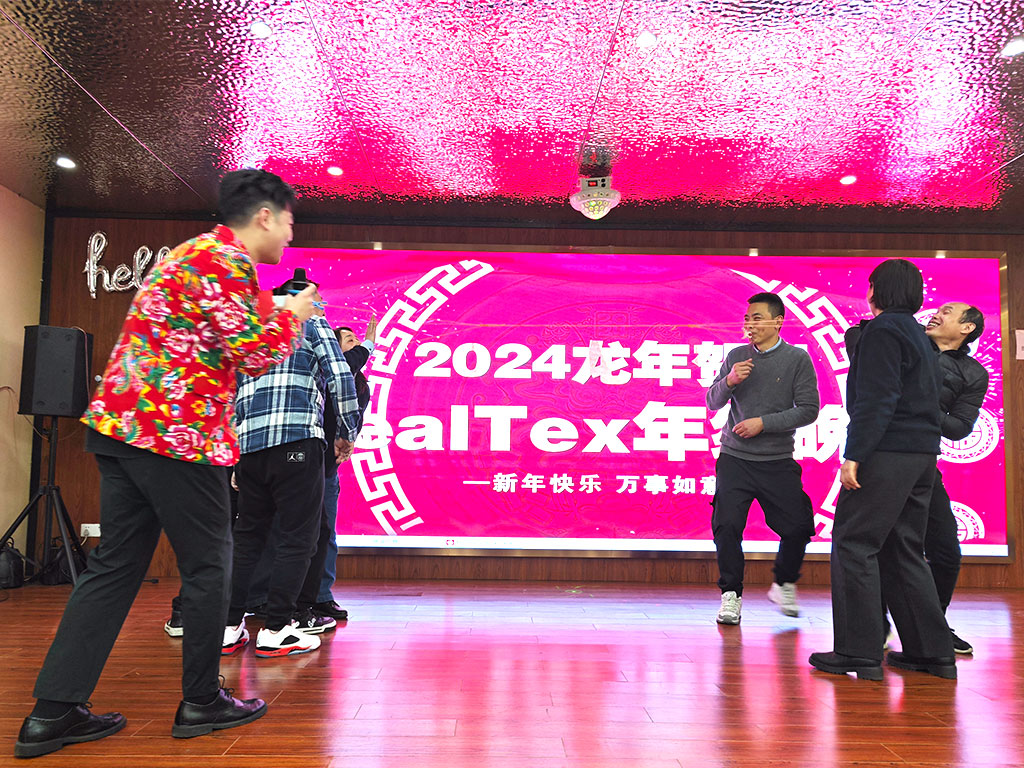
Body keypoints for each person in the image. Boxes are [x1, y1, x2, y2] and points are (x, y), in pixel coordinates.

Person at [15, 169, 316, 759]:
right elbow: (252, 352)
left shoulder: (188, 255)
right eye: (287, 222)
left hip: (122, 429)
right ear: (264, 216)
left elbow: (217, 333)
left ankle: (52, 712)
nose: (288, 235)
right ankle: (202, 700)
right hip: (178, 436)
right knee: (209, 567)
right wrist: (295, 314)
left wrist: (272, 308)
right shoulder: (226, 261)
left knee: (113, 569)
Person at [810, 259, 956, 681]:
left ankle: (858, 651)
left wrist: (854, 454)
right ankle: (932, 653)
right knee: (903, 548)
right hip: (921, 455)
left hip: (886, 452)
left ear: (874, 289)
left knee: (854, 543)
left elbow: (877, 399)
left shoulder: (883, 331)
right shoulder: (918, 334)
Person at [222, 275, 361, 658]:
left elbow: (233, 394)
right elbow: (340, 377)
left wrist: (236, 454)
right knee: (299, 537)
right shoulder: (311, 322)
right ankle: (278, 629)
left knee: (248, 537)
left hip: (250, 449)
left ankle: (229, 627)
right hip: (298, 441)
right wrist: (347, 432)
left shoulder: (254, 326)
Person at [705, 292, 820, 624]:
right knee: (727, 525)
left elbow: (809, 409)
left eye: (757, 318)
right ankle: (731, 595)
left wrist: (763, 423)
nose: (749, 324)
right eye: (747, 318)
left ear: (777, 321)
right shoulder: (737, 356)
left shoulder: (797, 358)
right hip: (735, 457)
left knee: (798, 526)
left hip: (777, 459)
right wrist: (730, 380)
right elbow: (712, 401)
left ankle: (784, 582)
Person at [915, 302, 988, 653]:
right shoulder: (906, 343)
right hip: (881, 459)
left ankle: (932, 626)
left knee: (945, 551)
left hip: (925, 464)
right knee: (880, 548)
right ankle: (875, 627)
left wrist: (922, 407)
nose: (936, 314)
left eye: (947, 311)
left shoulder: (973, 372)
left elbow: (959, 427)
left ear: (966, 328)